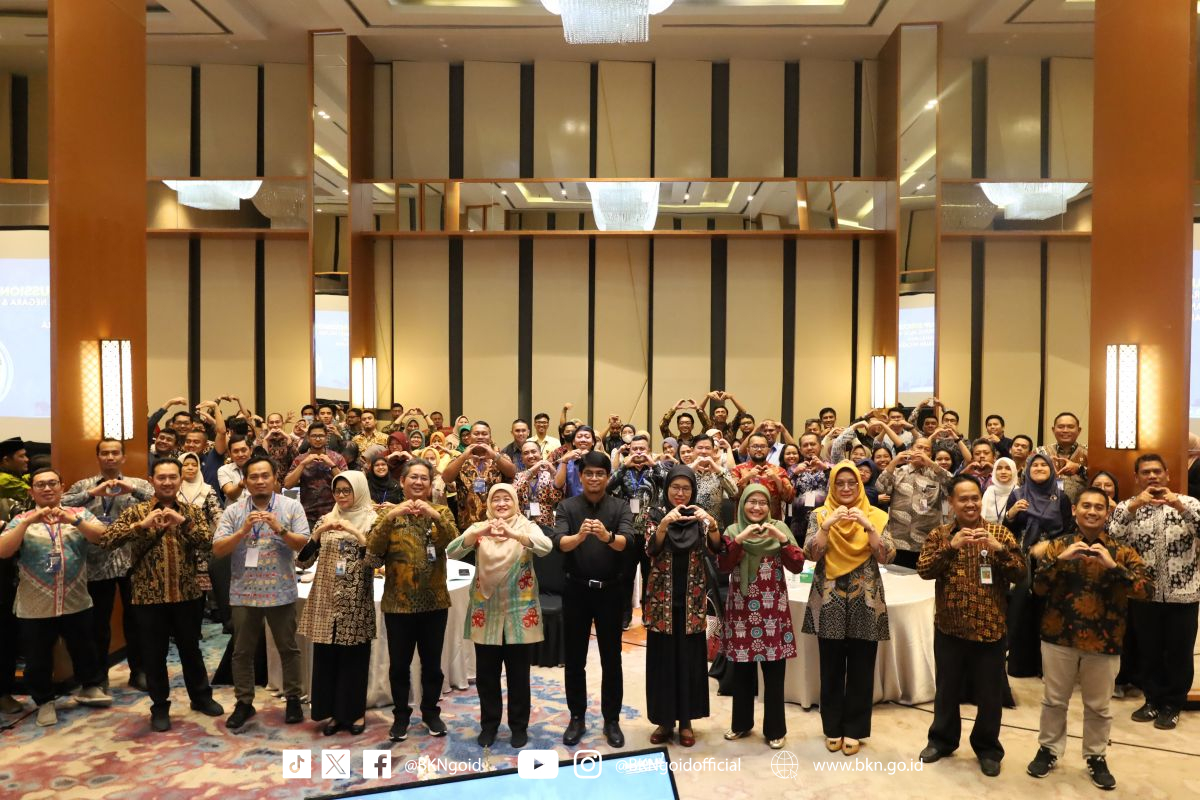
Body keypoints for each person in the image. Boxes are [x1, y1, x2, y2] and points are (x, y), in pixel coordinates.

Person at [1026, 487, 1153, 790]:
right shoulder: (1057, 546)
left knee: (1099, 706)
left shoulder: (1122, 551)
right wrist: (1060, 560)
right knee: (1054, 700)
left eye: (1099, 507)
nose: (1092, 512)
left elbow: (1145, 591)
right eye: (1086, 506)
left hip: (1105, 639)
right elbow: (1037, 588)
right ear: (1075, 510)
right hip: (1059, 636)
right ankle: (1048, 749)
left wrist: (1113, 566)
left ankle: (1096, 755)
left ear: (1107, 513)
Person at [102, 458, 223, 731]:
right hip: (148, 596)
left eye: (172, 477)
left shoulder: (192, 511)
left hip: (187, 594)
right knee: (153, 654)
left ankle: (201, 697)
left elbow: (209, 544)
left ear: (180, 479)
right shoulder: (136, 512)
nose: (167, 482)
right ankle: (159, 706)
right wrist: (141, 526)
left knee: (191, 650)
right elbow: (107, 540)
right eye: (161, 477)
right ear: (151, 480)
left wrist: (184, 523)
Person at [917, 475, 1025, 777]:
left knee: (989, 696)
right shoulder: (940, 535)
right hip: (949, 628)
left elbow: (1020, 574)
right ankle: (942, 740)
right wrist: (950, 547)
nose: (970, 504)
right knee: (946, 691)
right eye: (962, 498)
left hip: (989, 629)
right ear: (951, 503)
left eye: (974, 497)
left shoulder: (999, 532)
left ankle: (988, 748)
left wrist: (999, 550)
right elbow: (924, 570)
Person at [0, 467, 113, 726]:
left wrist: (74, 521)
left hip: (75, 598)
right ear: (31, 492)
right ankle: (44, 701)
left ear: (62, 487)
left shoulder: (79, 513)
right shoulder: (21, 519)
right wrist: (27, 523)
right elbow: (4, 551)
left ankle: (90, 687)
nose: (47, 488)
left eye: (52, 483)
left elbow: (103, 538)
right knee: (37, 657)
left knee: (84, 647)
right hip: (35, 604)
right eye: (41, 485)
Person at [448, 483, 552, 748]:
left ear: (515, 502)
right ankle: (489, 725)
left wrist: (514, 535)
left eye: (507, 499)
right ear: (489, 504)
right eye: (496, 499)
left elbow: (546, 547)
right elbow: (451, 551)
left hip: (519, 611)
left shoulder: (526, 526)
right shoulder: (480, 528)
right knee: (487, 676)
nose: (502, 504)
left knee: (519, 676)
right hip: (487, 612)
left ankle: (519, 726)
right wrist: (477, 533)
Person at [802, 460, 894, 756]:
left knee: (862, 668)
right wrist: (827, 526)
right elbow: (810, 554)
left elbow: (886, 556)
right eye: (839, 483)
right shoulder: (819, 514)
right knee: (830, 667)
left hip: (865, 600)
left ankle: (854, 729)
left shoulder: (876, 515)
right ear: (831, 486)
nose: (845, 488)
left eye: (851, 483)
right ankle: (832, 727)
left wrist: (868, 527)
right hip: (828, 598)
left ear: (859, 485)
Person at [212, 456, 311, 729]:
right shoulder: (234, 511)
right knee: (242, 652)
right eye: (253, 476)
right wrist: (243, 531)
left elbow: (303, 544)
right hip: (244, 592)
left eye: (265, 475)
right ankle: (244, 702)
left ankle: (293, 698)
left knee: (288, 648)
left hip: (281, 590)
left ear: (275, 478)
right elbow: (218, 549)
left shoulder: (291, 506)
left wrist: (280, 528)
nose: (259, 481)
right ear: (245, 481)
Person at [367, 458, 458, 742]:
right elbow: (373, 550)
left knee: (432, 665)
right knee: (399, 666)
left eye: (424, 478)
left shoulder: (441, 511)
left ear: (430, 484)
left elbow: (455, 545)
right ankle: (401, 716)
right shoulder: (388, 514)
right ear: (402, 481)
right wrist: (391, 517)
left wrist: (435, 516)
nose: (418, 482)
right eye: (413, 477)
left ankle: (430, 712)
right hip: (398, 604)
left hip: (434, 602)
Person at [1108, 453, 1199, 732]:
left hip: (1184, 593)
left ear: (1168, 475)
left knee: (1179, 652)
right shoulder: (1128, 507)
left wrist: (1178, 506)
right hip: (1143, 593)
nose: (1152, 476)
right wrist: (1134, 506)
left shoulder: (1190, 503)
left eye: (1157, 471)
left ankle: (1173, 704)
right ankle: (1152, 700)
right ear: (1137, 478)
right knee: (1149, 650)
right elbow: (1112, 536)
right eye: (1145, 472)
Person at [552, 450, 635, 748]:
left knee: (611, 659)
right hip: (576, 590)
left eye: (600, 473)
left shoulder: (620, 506)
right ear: (581, 476)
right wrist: (579, 537)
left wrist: (606, 537)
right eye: (589, 473)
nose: (595, 478)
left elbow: (628, 542)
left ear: (608, 477)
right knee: (575, 659)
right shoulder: (567, 506)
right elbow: (559, 543)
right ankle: (577, 717)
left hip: (610, 591)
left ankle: (611, 720)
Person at [61, 438, 154, 693]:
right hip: (96, 562)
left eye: (115, 453)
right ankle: (99, 676)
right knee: (97, 624)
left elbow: (159, 500)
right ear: (98, 457)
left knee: (136, 620)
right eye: (105, 453)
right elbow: (60, 504)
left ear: (123, 457)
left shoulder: (138, 485)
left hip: (132, 560)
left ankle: (139, 671)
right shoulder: (84, 486)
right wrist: (92, 494)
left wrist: (131, 490)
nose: (110, 457)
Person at [719, 484, 804, 749]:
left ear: (770, 506)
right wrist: (740, 539)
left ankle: (775, 729)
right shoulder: (733, 531)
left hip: (772, 612)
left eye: (762, 502)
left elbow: (797, 564)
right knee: (742, 672)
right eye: (751, 501)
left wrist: (782, 539)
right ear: (742, 504)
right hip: (741, 611)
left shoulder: (780, 528)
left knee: (774, 673)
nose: (757, 507)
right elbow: (723, 565)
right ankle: (741, 724)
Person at [643, 465, 722, 748]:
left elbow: (717, 548)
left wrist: (712, 524)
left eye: (686, 488)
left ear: (693, 490)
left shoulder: (700, 517)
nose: (680, 493)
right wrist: (665, 524)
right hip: (661, 601)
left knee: (689, 661)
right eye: (675, 487)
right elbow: (650, 548)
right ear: (667, 489)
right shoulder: (655, 514)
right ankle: (665, 721)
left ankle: (686, 721)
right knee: (663, 661)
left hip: (692, 600)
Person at [296, 471, 380, 736]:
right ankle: (333, 713)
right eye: (338, 491)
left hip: (355, 601)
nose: (342, 496)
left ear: (359, 490)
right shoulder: (326, 519)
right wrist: (318, 534)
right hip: (325, 599)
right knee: (327, 659)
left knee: (353, 660)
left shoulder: (373, 521)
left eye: (347, 490)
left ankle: (354, 713)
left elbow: (376, 562)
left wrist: (356, 533)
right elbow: (302, 562)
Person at [1004, 452, 1074, 678]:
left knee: (1048, 613)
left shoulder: (1061, 498)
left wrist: (1050, 546)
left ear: (1052, 470)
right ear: (1028, 470)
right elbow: (1007, 531)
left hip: (1051, 561)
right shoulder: (1017, 495)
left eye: (1045, 465)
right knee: (1022, 612)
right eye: (1035, 465)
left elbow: (1069, 532)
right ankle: (1021, 666)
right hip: (1023, 561)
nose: (1040, 468)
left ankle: (1047, 668)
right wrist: (1011, 514)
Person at [607, 433, 670, 629]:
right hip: (627, 530)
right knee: (625, 575)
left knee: (650, 574)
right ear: (630, 450)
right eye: (635, 449)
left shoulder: (655, 469)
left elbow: (669, 484)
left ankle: (648, 614)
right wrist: (623, 466)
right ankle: (625, 616)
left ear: (648, 450)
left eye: (642, 449)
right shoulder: (624, 470)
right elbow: (607, 487)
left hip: (651, 530)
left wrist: (654, 464)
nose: (639, 452)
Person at [875, 438, 952, 568]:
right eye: (919, 448)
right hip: (898, 540)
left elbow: (953, 486)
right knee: (896, 577)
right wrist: (893, 462)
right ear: (911, 450)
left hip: (927, 542)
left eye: (926, 450)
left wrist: (931, 464)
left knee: (924, 578)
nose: (922, 452)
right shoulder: (898, 471)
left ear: (931, 455)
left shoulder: (937, 474)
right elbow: (880, 487)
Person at [443, 421, 516, 530]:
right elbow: (446, 478)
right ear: (470, 437)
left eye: (484, 434)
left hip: (496, 522)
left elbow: (512, 473)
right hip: (467, 524)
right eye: (476, 434)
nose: (480, 437)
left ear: (490, 437)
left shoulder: (500, 457)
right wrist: (463, 457)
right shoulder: (459, 459)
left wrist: (494, 456)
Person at [284, 423, 348, 531]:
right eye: (314, 436)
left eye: (321, 436)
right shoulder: (300, 459)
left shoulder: (337, 458)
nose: (318, 439)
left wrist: (332, 465)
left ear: (326, 437)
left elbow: (348, 484)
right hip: (307, 514)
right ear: (308, 438)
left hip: (334, 513)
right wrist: (303, 464)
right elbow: (287, 485)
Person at [732, 433, 795, 519]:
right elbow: (733, 495)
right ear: (748, 450)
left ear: (768, 450)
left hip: (772, 522)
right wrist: (747, 477)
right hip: (744, 522)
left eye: (762, 446)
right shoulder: (738, 469)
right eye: (755, 446)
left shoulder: (779, 471)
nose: (759, 449)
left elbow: (789, 498)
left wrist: (777, 479)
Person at [512, 440, 562, 528]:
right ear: (522, 459)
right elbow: (514, 494)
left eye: (533, 452)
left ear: (541, 455)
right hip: (523, 524)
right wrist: (533, 470)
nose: (530, 456)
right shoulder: (518, 476)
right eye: (526, 453)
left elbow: (556, 498)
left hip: (546, 525)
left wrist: (553, 472)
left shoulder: (548, 475)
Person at [1049, 412, 1088, 503]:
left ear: (1079, 430)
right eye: (1061, 427)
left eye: (1070, 427)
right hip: (1047, 505)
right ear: (1053, 430)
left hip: (1081, 506)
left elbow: (1099, 478)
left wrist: (1079, 469)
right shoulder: (1041, 452)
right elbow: (1026, 479)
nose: (1065, 430)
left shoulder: (1090, 453)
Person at [981, 457, 1018, 525]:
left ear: (1014, 472)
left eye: (1008, 468)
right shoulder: (989, 491)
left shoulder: (1018, 493)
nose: (1003, 472)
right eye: (999, 468)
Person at [218, 437, 254, 504]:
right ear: (230, 453)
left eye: (243, 450)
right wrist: (240, 485)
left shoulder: (261, 468)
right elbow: (231, 495)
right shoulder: (224, 470)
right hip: (234, 510)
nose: (240, 454)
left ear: (251, 450)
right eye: (236, 451)